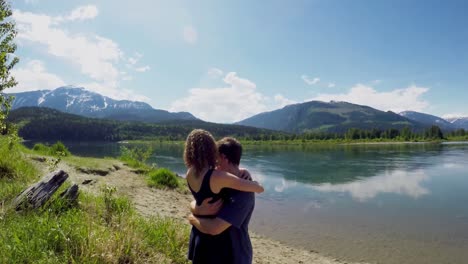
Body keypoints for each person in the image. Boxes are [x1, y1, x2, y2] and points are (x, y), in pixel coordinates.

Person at [183, 129, 263, 264]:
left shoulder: (191, 172)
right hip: (219, 248)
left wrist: (193, 216)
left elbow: (212, 223)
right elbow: (258, 188)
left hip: (230, 251)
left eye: (217, 156)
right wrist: (195, 209)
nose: (214, 161)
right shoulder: (219, 178)